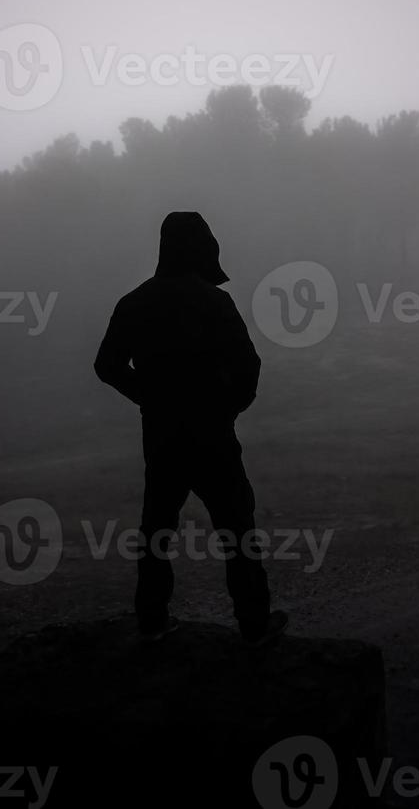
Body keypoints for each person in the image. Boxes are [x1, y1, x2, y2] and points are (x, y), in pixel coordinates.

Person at [94, 211, 288, 646]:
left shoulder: (134, 303)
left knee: (156, 530)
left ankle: (151, 619)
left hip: (162, 437)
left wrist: (149, 396)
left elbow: (106, 366)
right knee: (236, 528)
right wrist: (226, 408)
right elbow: (248, 366)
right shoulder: (214, 303)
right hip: (212, 435)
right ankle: (254, 625)